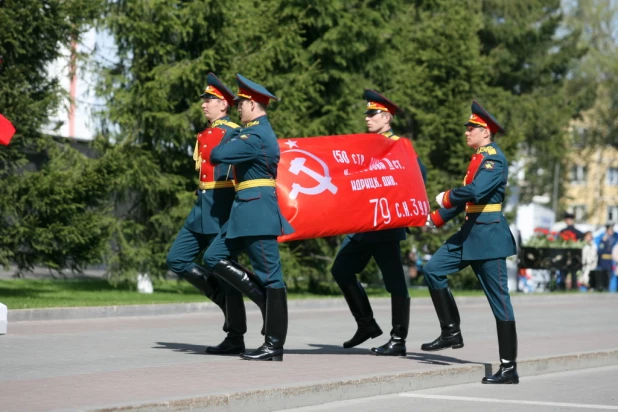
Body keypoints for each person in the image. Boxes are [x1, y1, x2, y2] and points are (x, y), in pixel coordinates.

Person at [423, 101, 519, 384]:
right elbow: (470, 198)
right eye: (467, 127)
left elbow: (474, 190)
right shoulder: (478, 159)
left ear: (485, 132)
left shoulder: (494, 159)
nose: (466, 132)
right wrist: (434, 218)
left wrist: (448, 196)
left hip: (489, 239)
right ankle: (451, 331)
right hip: (469, 234)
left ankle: (508, 367)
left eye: (472, 128)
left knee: (500, 303)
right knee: (433, 270)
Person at [202, 74, 294, 362]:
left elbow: (217, 155)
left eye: (241, 103)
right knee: (213, 257)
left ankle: (274, 345)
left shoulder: (255, 136)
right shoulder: (251, 132)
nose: (237, 107)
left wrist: (231, 135)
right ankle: (265, 301)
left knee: (271, 276)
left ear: (252, 105)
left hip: (258, 211)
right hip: (244, 210)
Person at [330, 89, 427, 357]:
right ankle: (366, 324)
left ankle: (398, 340)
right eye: (367, 114)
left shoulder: (398, 145)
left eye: (372, 114)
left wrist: (402, 205)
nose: (368, 118)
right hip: (364, 226)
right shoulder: (365, 144)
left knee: (396, 283)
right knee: (341, 269)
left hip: (386, 225)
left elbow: (420, 175)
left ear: (386, 117)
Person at [166, 73, 249, 355]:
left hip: (222, 206)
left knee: (227, 271)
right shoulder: (203, 134)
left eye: (210, 100)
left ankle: (235, 336)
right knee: (176, 258)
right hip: (201, 207)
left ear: (224, 104)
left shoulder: (235, 132)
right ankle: (224, 301)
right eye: (204, 100)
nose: (204, 105)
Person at [558, 212, 584, 290]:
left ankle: (568, 287)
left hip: (571, 256)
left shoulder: (564, 232)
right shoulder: (576, 232)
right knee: (566, 273)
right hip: (571, 256)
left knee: (571, 273)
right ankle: (567, 287)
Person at [596, 225, 615, 291]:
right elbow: (600, 250)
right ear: (607, 231)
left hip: (610, 260)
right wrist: (603, 241)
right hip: (604, 260)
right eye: (610, 230)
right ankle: (603, 287)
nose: (612, 232)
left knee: (609, 275)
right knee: (604, 274)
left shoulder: (612, 239)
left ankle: (607, 287)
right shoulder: (604, 239)